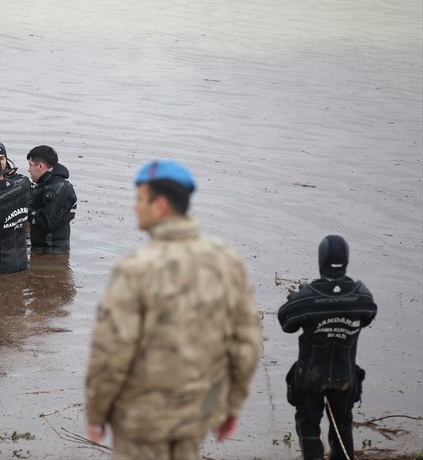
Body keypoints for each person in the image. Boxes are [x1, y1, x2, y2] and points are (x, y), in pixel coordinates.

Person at [85, 160, 262, 460]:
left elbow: (112, 351)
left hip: (140, 421)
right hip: (197, 415)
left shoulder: (135, 269)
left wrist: (96, 410)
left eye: (140, 199)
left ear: (161, 205)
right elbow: (247, 343)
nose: (134, 207)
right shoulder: (227, 260)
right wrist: (231, 406)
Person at [278, 235, 377, 460]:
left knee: (308, 423)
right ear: (346, 261)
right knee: (342, 426)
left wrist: (296, 297)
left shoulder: (309, 298)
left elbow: (286, 322)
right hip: (345, 376)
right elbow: (369, 314)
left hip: (311, 377)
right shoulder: (361, 294)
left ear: (321, 260)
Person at [26, 145, 77, 254]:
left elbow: (48, 223)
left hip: (51, 254)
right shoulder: (45, 184)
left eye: (30, 165)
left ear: (40, 166)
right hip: (41, 250)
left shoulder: (58, 189)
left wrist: (25, 209)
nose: (28, 170)